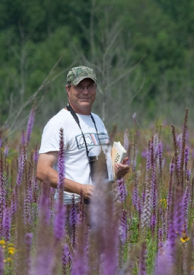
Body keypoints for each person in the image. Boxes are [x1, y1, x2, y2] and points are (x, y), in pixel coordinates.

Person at [36, 66, 130, 205]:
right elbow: (42, 171)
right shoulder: (58, 123)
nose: (85, 92)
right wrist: (81, 189)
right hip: (72, 207)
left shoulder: (97, 120)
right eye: (79, 87)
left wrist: (117, 171)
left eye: (90, 86)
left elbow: (99, 167)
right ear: (68, 90)